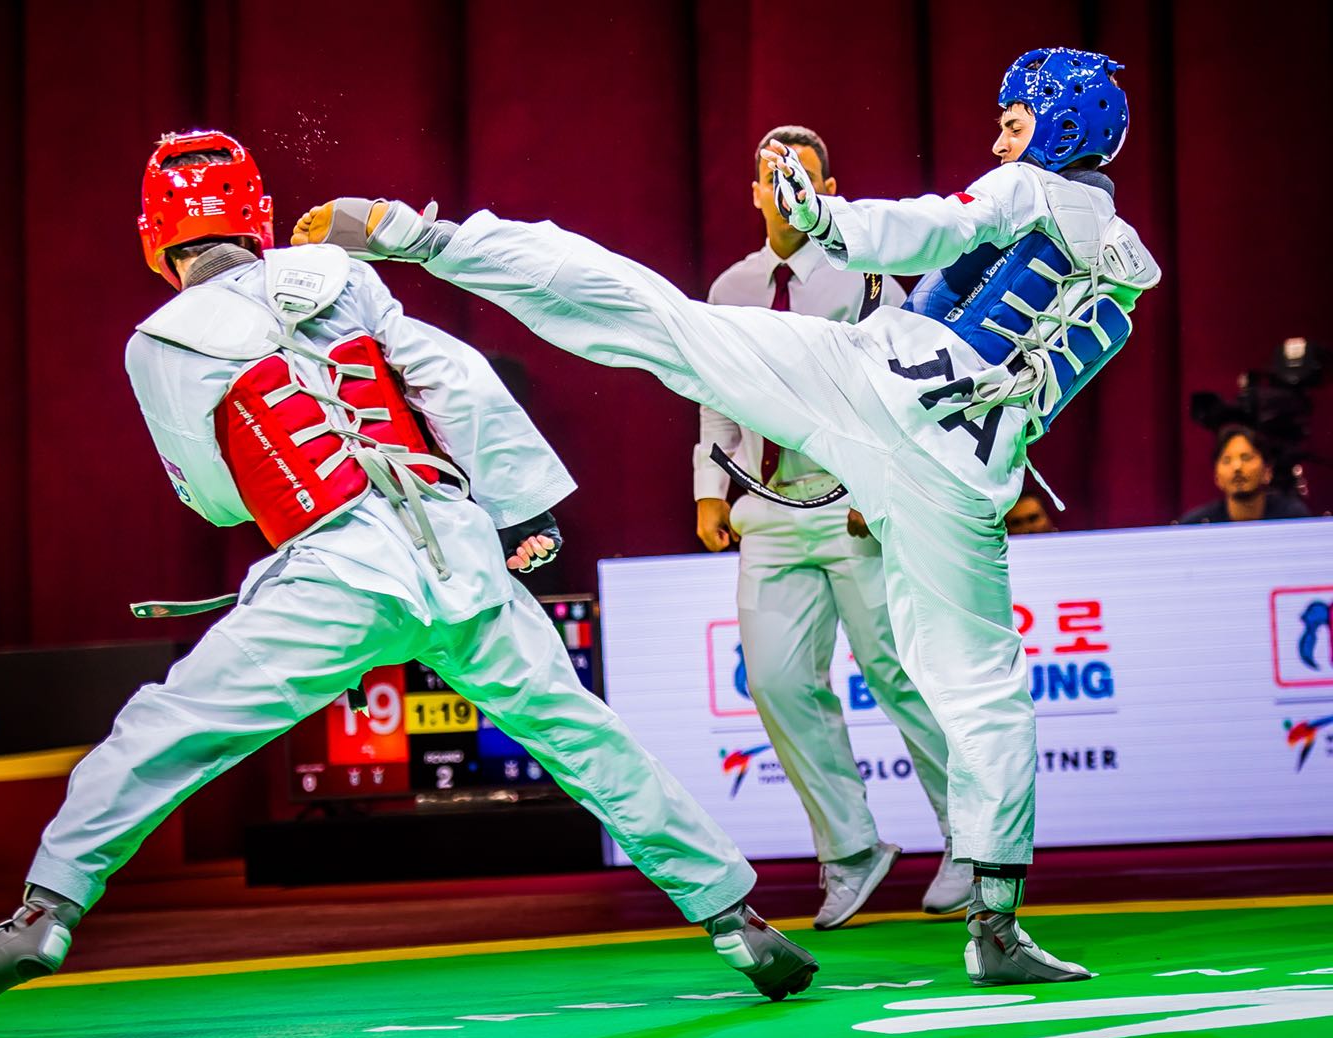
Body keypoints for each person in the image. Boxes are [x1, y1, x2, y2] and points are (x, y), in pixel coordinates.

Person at [294, 46, 1160, 986]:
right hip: (963, 473)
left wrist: (823, 220)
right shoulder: (1128, 268)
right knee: (984, 686)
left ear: (1060, 126)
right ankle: (995, 924)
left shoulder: (1026, 189)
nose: (999, 139)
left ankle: (425, 236)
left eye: (1014, 121)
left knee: (662, 324)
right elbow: (1033, 372)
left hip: (879, 388)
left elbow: (928, 228)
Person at [0, 131, 817, 1013]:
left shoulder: (160, 342)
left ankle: (47, 910)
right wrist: (525, 508)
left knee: (167, 731)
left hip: (337, 570)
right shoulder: (340, 275)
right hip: (456, 552)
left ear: (156, 239)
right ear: (258, 217)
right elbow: (454, 376)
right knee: (585, 737)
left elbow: (217, 501)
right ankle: (735, 920)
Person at [694, 125, 968, 929]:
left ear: (827, 190)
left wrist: (884, 484)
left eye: (802, 176)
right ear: (753, 191)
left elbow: (901, 388)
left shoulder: (867, 275)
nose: (784, 189)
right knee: (777, 681)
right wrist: (709, 487)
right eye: (770, 176)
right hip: (768, 506)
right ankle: (850, 850)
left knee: (898, 673)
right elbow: (714, 392)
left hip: (855, 504)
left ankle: (970, 838)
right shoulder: (731, 288)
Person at [1177, 425, 1312, 523]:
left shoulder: (1292, 518)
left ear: (1267, 472)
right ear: (1217, 477)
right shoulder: (1197, 524)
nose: (1237, 467)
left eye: (1246, 458)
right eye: (1227, 460)